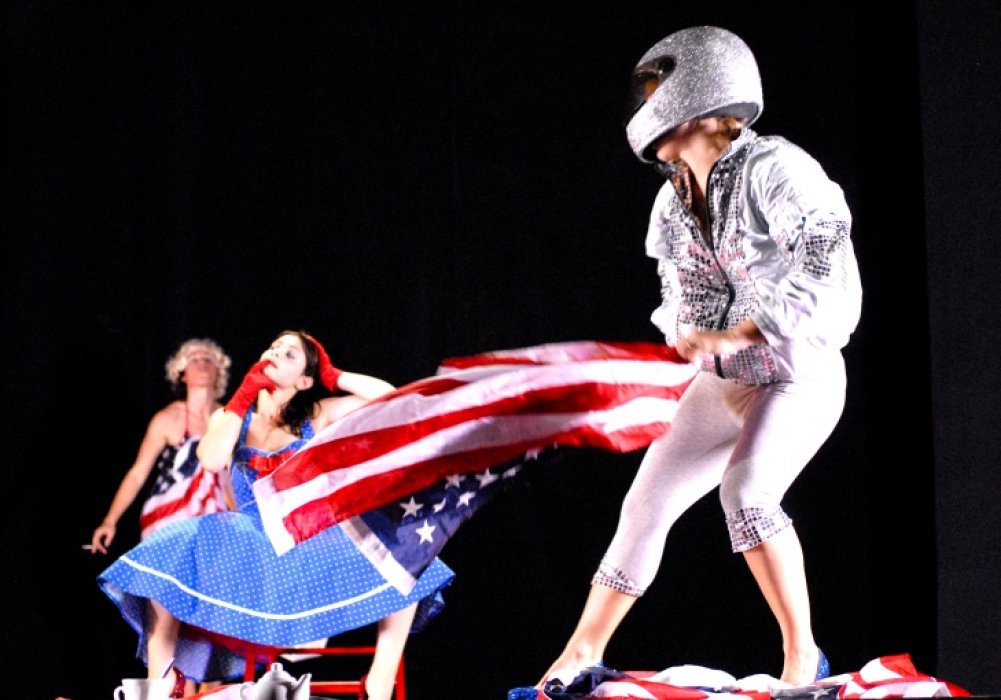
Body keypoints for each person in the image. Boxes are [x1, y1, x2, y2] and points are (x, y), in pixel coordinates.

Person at [538, 26, 862, 691]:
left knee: (747, 495)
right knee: (644, 505)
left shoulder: (778, 168)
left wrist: (743, 330)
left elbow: (825, 257)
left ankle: (803, 659)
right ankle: (577, 653)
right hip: (722, 384)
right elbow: (676, 294)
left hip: (797, 376)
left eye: (657, 89)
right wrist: (686, 335)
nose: (646, 105)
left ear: (700, 94)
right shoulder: (672, 201)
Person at [97, 330, 455, 700]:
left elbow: (391, 397)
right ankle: (160, 681)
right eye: (273, 347)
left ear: (304, 381)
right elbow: (212, 460)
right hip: (251, 537)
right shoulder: (231, 417)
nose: (275, 353)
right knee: (164, 552)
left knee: (411, 555)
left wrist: (334, 376)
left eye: (290, 354)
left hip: (307, 536)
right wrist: (242, 397)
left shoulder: (317, 415)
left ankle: (380, 677)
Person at [90, 338, 233, 555]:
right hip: (171, 517)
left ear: (218, 372)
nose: (202, 365)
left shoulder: (229, 419)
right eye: (194, 360)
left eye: (208, 360)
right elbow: (138, 473)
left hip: (215, 518)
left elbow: (231, 476)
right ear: (182, 374)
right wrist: (110, 521)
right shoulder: (168, 418)